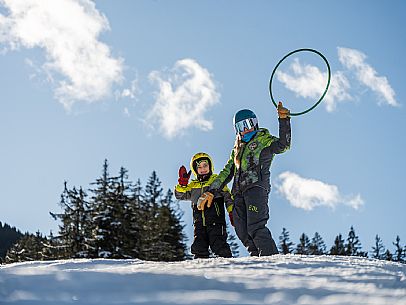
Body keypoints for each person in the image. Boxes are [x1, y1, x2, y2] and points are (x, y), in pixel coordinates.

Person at [197, 102, 291, 256]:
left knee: (255, 226)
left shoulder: (263, 140)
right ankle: (257, 258)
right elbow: (227, 172)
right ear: (237, 131)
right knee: (242, 229)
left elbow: (283, 145)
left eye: (248, 124)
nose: (246, 128)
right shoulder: (237, 149)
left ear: (255, 124)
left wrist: (284, 120)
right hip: (238, 193)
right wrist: (211, 191)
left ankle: (271, 259)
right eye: (241, 126)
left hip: (256, 188)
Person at [174, 152, 233, 259]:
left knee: (218, 243)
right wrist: (182, 184)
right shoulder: (193, 186)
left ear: (210, 166)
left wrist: (231, 211)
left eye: (205, 165)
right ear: (195, 170)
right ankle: (200, 267)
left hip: (216, 220)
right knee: (199, 245)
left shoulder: (216, 181)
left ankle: (227, 263)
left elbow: (228, 197)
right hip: (199, 222)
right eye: (199, 167)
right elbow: (180, 196)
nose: (203, 169)